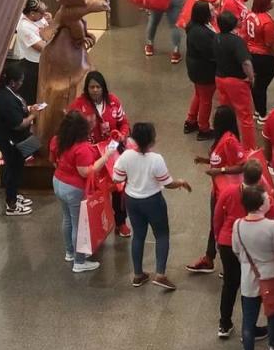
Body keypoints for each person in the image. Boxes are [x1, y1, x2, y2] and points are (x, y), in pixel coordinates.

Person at [113, 122, 192, 290]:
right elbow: (168, 183)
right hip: (153, 201)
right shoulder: (156, 159)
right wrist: (181, 182)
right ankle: (161, 275)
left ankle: (138, 275)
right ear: (151, 141)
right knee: (162, 234)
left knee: (138, 236)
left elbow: (117, 178)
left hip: (132, 200)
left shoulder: (126, 156)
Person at [68, 70, 131, 237]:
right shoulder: (78, 105)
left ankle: (121, 222)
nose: (95, 90)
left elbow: (123, 123)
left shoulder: (113, 102)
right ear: (86, 89)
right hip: (91, 155)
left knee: (119, 188)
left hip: (112, 153)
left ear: (103, 88)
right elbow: (70, 127)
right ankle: (97, 225)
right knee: (95, 192)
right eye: (91, 87)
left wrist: (122, 135)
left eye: (98, 87)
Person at [51, 110, 115, 272]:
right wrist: (106, 156)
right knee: (78, 225)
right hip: (73, 189)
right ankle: (79, 262)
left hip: (58, 182)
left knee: (67, 219)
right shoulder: (82, 148)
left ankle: (70, 252)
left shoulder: (58, 140)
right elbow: (86, 171)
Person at [232, 185, 274, 350]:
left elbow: (236, 250)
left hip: (248, 277)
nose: (269, 200)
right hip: (271, 275)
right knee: (273, 313)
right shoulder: (271, 226)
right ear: (260, 205)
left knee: (249, 318)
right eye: (266, 199)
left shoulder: (238, 224)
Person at [189, 105, 248, 275]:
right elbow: (220, 160)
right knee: (215, 224)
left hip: (228, 194)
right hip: (217, 191)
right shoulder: (221, 138)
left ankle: (230, 263)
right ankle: (209, 258)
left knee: (225, 226)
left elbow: (242, 165)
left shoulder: (230, 140)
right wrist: (205, 160)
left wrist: (219, 171)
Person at [214, 159, 267, 339]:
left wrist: (217, 237)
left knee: (229, 283)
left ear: (243, 175)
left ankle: (224, 324)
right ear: (260, 178)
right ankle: (249, 328)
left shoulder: (228, 191)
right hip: (250, 245)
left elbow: (217, 216)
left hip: (227, 242)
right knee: (250, 286)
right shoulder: (262, 196)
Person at [0, 63, 40, 216]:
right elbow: (19, 125)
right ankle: (11, 204)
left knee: (20, 160)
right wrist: (33, 116)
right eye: (21, 81)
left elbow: (19, 108)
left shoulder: (9, 92)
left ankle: (14, 194)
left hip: (9, 134)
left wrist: (29, 108)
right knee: (13, 165)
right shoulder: (5, 100)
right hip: (6, 137)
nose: (22, 83)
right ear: (12, 82)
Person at [215, 11, 257, 150]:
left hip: (220, 79)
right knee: (245, 117)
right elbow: (246, 63)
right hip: (236, 82)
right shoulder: (237, 41)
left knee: (227, 114)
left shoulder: (216, 38)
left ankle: (228, 144)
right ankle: (249, 148)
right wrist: (251, 78)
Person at [245, 0, 274, 121]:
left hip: (251, 54)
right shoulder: (267, 22)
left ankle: (257, 110)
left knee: (255, 84)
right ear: (265, 3)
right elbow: (271, 45)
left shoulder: (250, 16)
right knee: (262, 86)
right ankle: (262, 115)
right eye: (270, 0)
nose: (272, 2)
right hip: (264, 58)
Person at [185, 0, 217, 139]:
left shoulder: (194, 27)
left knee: (199, 95)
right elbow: (210, 53)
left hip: (196, 69)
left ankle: (191, 120)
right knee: (206, 100)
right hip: (204, 71)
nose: (214, 12)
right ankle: (204, 128)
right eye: (211, 10)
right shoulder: (201, 33)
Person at [12, 0, 50, 104]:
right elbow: (42, 47)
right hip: (29, 64)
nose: (44, 15)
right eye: (41, 13)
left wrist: (51, 22)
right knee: (30, 95)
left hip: (41, 63)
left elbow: (50, 30)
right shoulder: (24, 26)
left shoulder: (40, 19)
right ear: (32, 13)